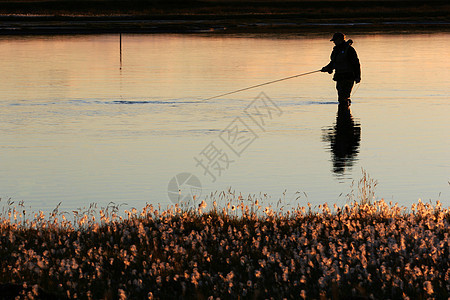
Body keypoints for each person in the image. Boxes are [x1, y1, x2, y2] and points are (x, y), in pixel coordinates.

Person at [321, 32, 361, 106]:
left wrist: (358, 76)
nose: (334, 42)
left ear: (340, 40)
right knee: (341, 97)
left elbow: (356, 64)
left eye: (335, 40)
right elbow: (333, 62)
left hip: (349, 77)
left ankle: (346, 114)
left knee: (344, 97)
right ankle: (344, 113)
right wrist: (327, 68)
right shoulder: (336, 50)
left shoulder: (349, 50)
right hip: (339, 76)